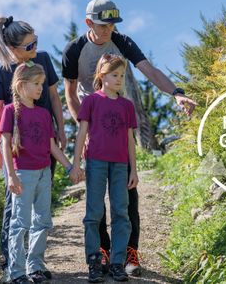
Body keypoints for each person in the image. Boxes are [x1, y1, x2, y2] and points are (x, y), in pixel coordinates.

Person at [62, 0, 197, 276]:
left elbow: (148, 70)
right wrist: (84, 128)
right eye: (103, 25)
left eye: (113, 24)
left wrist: (177, 94)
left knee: (127, 192)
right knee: (96, 197)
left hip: (118, 120)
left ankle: (129, 251)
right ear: (89, 23)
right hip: (92, 122)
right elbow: (71, 94)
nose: (109, 29)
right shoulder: (74, 50)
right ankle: (102, 249)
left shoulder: (121, 41)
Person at [0, 16, 66, 283]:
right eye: (28, 45)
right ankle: (14, 266)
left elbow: (54, 96)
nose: (35, 48)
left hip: (44, 144)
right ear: (12, 48)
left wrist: (62, 128)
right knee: (15, 210)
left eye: (36, 42)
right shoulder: (0, 72)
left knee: (41, 209)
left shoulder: (43, 59)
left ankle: (35, 264)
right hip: (18, 155)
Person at [0, 62, 81, 284]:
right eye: (36, 84)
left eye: (42, 84)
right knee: (20, 222)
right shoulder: (9, 112)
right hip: (22, 175)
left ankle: (35, 265)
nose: (40, 89)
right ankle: (16, 271)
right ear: (21, 84)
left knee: (42, 221)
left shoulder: (44, 114)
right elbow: (4, 144)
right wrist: (11, 176)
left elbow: (52, 146)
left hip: (44, 173)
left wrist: (70, 167)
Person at [71, 53, 138, 282]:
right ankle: (94, 261)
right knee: (94, 214)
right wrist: (76, 164)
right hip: (95, 163)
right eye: (114, 74)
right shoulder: (91, 101)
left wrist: (134, 170)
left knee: (121, 212)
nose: (119, 79)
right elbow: (81, 133)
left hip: (120, 165)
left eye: (122, 75)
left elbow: (130, 140)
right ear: (102, 75)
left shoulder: (127, 106)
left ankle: (117, 263)